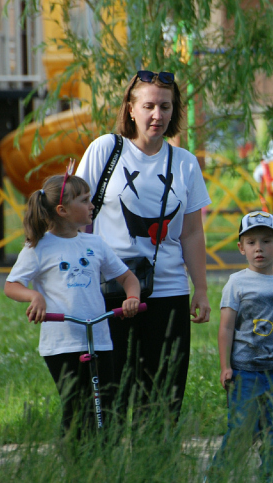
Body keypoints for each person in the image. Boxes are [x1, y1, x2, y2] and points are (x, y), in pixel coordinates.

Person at [76, 70, 211, 424]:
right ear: (131, 109)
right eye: (148, 106)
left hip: (167, 289)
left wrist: (202, 290)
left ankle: (156, 461)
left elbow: (192, 234)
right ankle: (107, 464)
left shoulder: (185, 163)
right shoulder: (106, 149)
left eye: (165, 107)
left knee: (164, 390)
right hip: (110, 288)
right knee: (110, 387)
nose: (157, 115)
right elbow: (77, 217)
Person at [4, 172, 141, 436]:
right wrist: (35, 296)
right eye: (85, 200)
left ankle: (107, 463)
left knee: (108, 408)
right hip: (62, 343)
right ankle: (78, 464)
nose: (92, 205)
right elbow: (11, 285)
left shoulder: (95, 243)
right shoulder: (39, 247)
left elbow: (127, 278)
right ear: (62, 210)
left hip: (99, 339)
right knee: (77, 411)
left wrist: (132, 297)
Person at [210, 210, 273, 482]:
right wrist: (225, 366)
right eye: (251, 242)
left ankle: (272, 477)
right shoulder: (236, 283)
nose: (259, 249)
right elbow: (226, 327)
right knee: (241, 432)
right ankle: (216, 476)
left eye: (266, 241)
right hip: (245, 374)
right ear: (241, 248)